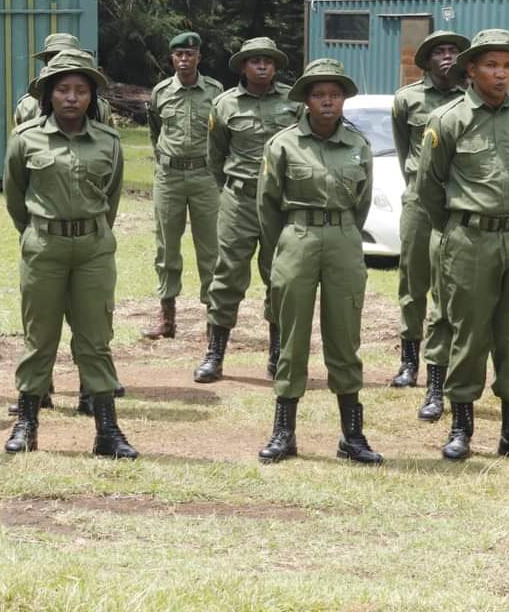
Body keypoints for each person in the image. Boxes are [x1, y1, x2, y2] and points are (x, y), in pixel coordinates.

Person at [415, 28, 509, 462]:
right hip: (469, 240)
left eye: (508, 66)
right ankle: (461, 427)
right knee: (467, 334)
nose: (501, 74)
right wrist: (461, 226)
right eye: (491, 65)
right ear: (470, 70)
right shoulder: (448, 120)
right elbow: (430, 188)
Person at [2, 49, 137, 459]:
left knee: (95, 338)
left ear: (92, 97)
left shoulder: (109, 142)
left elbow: (111, 196)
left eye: (81, 90)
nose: (73, 98)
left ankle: (107, 431)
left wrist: (91, 230)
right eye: (63, 90)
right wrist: (40, 233)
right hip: (44, 245)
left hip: (94, 248)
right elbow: (15, 196)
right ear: (49, 96)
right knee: (39, 336)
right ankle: (27, 423)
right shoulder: (26, 140)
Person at [256, 58, 381, 465]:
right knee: (291, 338)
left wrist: (342, 231)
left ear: (343, 100)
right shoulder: (283, 144)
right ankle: (283, 433)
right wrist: (285, 248)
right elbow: (268, 205)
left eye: (335, 94)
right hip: (297, 237)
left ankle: (352, 435)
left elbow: (361, 202)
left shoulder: (358, 145)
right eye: (319, 94)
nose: (328, 101)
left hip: (344, 238)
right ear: (306, 100)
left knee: (345, 335)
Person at [196, 37, 301, 383]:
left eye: (268, 61)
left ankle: (277, 355)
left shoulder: (293, 103)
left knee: (280, 276)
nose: (261, 66)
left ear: (275, 66)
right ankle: (215, 354)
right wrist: (233, 188)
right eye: (254, 60)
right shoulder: (224, 105)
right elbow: (215, 156)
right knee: (227, 274)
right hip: (239, 200)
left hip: (280, 203)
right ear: (243, 66)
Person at [390, 31, 469, 417]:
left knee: (449, 286)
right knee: (413, 280)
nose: (448, 57)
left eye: (454, 51)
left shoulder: (469, 98)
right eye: (440, 51)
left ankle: (448, 363)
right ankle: (409, 360)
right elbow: (405, 150)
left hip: (458, 202)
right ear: (426, 60)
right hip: (420, 201)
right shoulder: (407, 100)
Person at [143, 32, 223, 339]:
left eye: (190, 54)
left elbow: (222, 134)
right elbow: (155, 132)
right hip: (169, 177)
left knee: (210, 249)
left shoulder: (215, 92)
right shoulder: (161, 92)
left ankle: (213, 319)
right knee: (166, 247)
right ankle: (167, 318)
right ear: (172, 59)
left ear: (199, 58)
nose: (185, 59)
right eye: (179, 54)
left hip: (205, 177)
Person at [13, 33, 115, 127]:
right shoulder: (27, 106)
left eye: (68, 56)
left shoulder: (99, 107)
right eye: (55, 57)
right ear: (46, 61)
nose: (62, 61)